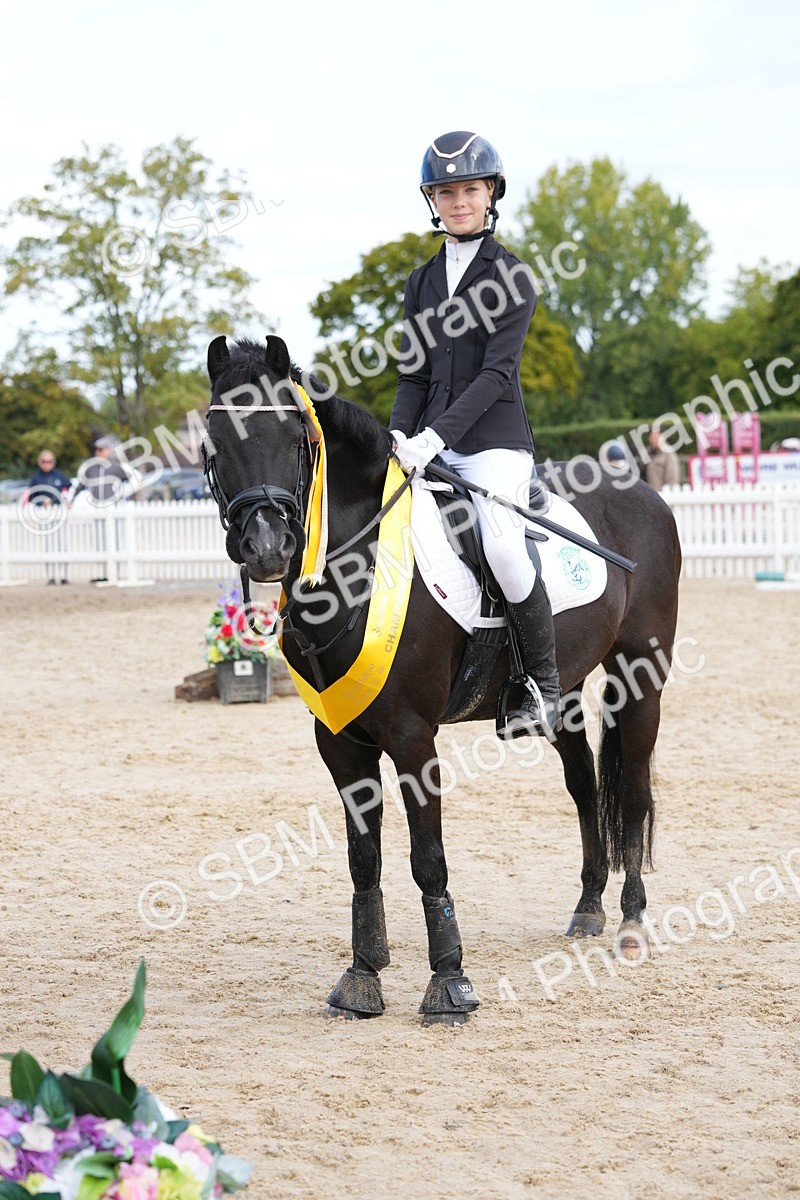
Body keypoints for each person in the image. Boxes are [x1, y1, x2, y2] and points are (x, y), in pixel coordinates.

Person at [389, 131, 560, 739]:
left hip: (494, 444)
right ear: (431, 200)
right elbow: (414, 374)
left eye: (469, 188)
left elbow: (495, 376)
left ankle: (543, 686)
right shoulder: (420, 281)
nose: (458, 200)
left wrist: (432, 440)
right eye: (445, 190)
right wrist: (396, 438)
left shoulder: (512, 276)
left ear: (491, 193)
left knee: (505, 548)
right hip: (428, 441)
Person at [26, 450, 72, 584]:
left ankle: (64, 576)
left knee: (61, 544)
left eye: (49, 461)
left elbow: (69, 489)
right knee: (48, 545)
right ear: (40, 462)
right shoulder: (36, 479)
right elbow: (31, 497)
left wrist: (65, 500)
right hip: (44, 514)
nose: (47, 464)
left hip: (58, 512)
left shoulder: (60, 476)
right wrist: (42, 503)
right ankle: (51, 576)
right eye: (44, 461)